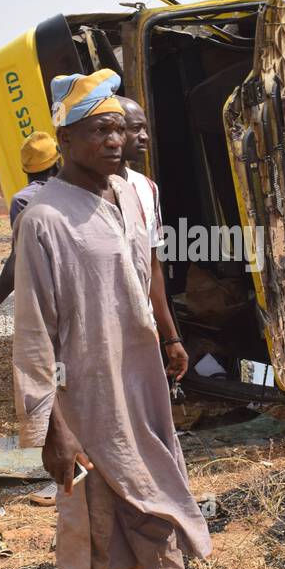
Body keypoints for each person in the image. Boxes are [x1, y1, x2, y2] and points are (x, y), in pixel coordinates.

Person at [13, 68, 257, 569]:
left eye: (119, 128)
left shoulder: (129, 194)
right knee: (90, 529)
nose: (115, 140)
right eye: (100, 130)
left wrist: (169, 337)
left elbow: (144, 281)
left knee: (157, 502)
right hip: (83, 403)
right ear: (65, 140)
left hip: (139, 388)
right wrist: (50, 427)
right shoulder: (43, 219)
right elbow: (34, 332)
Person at [117, 96, 189, 380]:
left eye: (145, 128)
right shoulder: (81, 193)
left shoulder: (147, 188)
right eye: (135, 128)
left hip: (141, 331)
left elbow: (152, 266)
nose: (144, 136)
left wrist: (171, 338)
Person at [0, 130, 58, 343]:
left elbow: (21, 258)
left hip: (47, 304)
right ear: (57, 162)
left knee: (54, 368)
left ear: (24, 168)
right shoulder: (77, 192)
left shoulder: (24, 200)